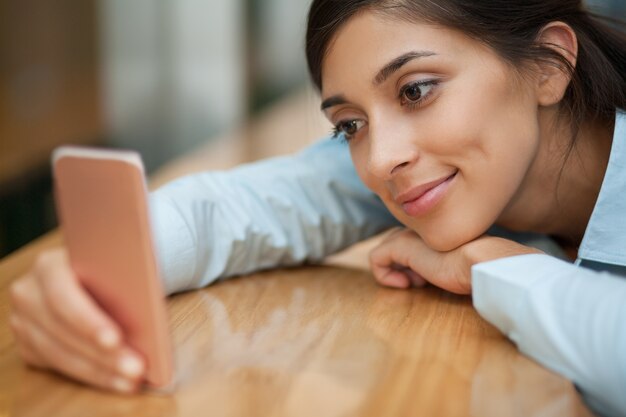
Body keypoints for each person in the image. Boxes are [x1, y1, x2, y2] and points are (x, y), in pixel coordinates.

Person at [8, 0, 626, 414]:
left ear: (549, 64)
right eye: (349, 124)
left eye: (416, 90)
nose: (381, 159)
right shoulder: (426, 162)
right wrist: (97, 272)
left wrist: (492, 267)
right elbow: (251, 206)